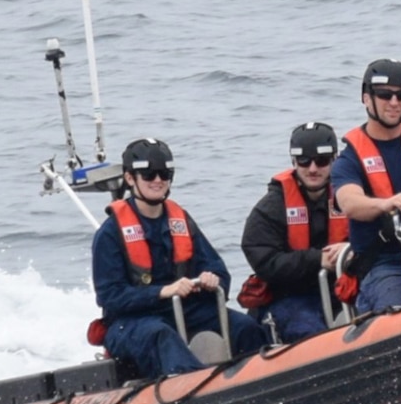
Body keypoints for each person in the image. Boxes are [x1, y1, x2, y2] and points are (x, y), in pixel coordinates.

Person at [92, 137, 269, 378]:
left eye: (164, 174)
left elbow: (218, 269)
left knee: (245, 328)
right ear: (130, 178)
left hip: (186, 310)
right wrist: (161, 292)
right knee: (160, 335)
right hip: (133, 321)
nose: (158, 180)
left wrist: (212, 279)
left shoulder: (181, 221)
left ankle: (259, 382)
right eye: (149, 174)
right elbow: (110, 297)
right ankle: (196, 394)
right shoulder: (110, 234)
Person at [332, 58, 401, 312]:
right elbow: (350, 203)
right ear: (366, 98)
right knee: (398, 308)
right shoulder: (349, 160)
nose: (394, 102)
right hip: (385, 265)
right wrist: (386, 204)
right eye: (385, 95)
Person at [240, 121, 349, 342]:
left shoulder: (351, 196)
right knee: (312, 334)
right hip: (289, 298)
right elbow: (264, 261)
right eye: (304, 161)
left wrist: (349, 250)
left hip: (341, 290)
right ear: (294, 161)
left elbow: (373, 237)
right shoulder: (271, 207)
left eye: (321, 161)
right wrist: (317, 260)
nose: (312, 168)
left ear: (334, 160)